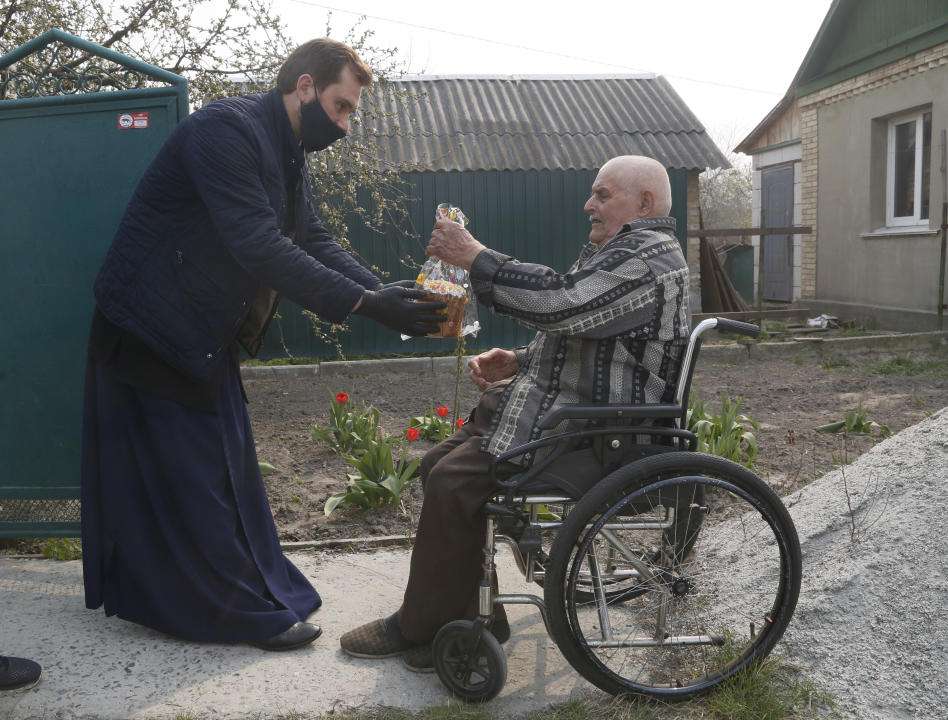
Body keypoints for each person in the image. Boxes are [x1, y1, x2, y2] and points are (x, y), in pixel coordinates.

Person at [81, 38, 444, 651]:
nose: (346, 125)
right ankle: (229, 614)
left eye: (351, 112)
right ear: (303, 86)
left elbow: (314, 239)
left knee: (224, 470)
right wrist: (363, 303)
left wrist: (384, 295)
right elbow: (258, 244)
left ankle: (250, 591)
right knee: (193, 478)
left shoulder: (287, 149)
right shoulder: (226, 131)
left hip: (199, 331)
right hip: (149, 328)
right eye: (341, 106)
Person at [340, 155, 691, 670]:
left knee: (455, 481)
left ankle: (418, 626)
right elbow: (590, 331)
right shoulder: (626, 250)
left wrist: (475, 256)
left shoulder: (645, 257)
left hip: (600, 436)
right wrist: (520, 359)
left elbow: (560, 301)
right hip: (571, 418)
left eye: (602, 194)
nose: (588, 204)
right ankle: (470, 616)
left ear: (643, 203)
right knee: (438, 466)